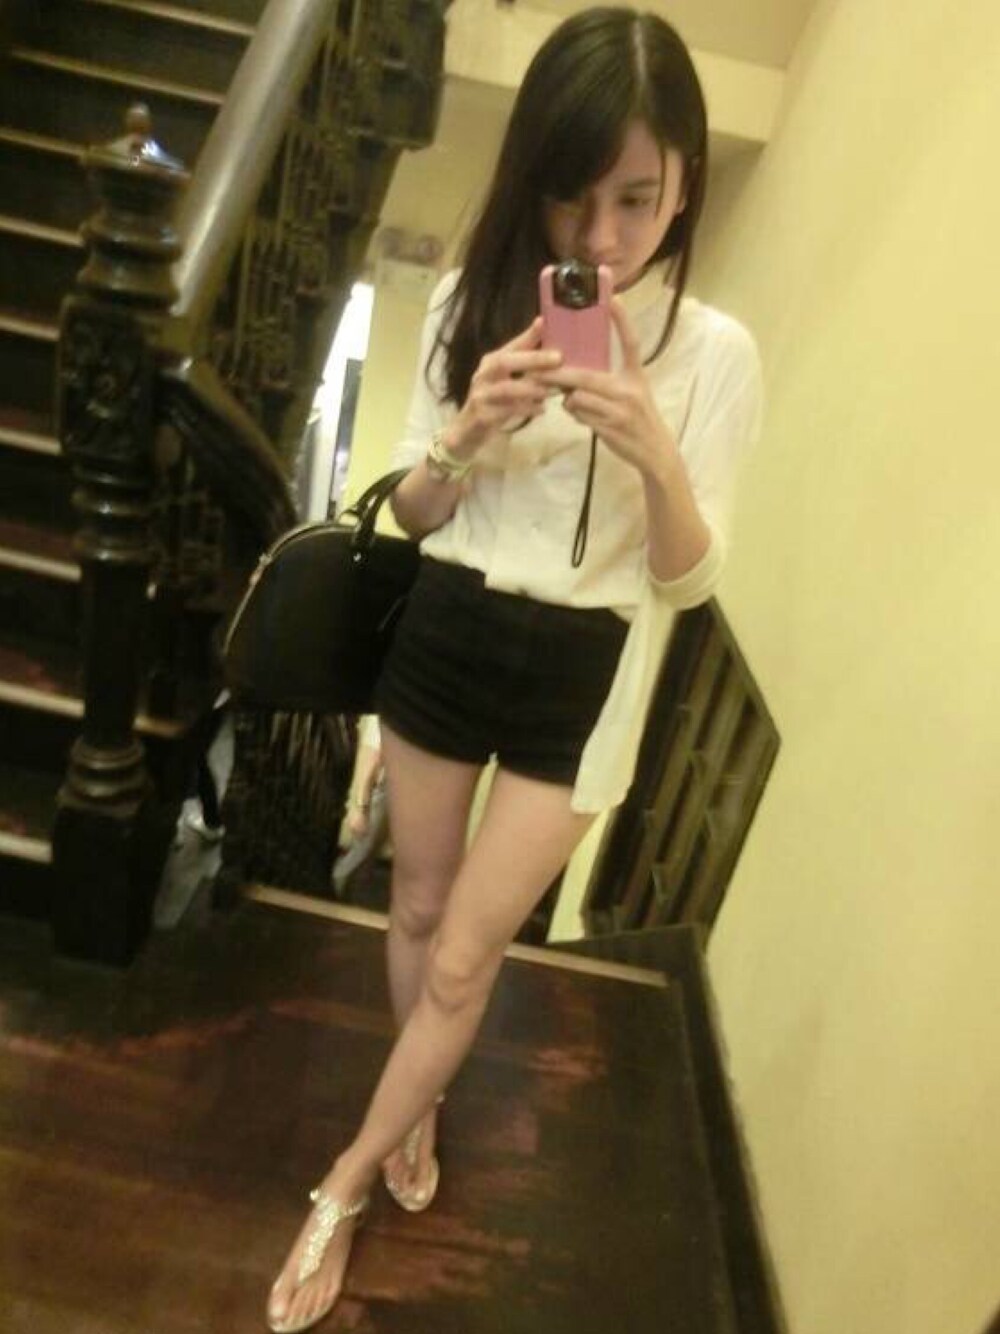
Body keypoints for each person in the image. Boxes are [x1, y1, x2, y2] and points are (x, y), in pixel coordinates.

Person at [266, 8, 762, 1331]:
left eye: (636, 199)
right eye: (572, 196)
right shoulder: (463, 304)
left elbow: (686, 581)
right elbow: (415, 513)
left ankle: (344, 1183)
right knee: (415, 910)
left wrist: (654, 449)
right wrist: (469, 432)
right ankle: (415, 1101)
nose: (601, 238)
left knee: (466, 957)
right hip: (450, 624)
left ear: (685, 185)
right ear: (533, 179)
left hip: (584, 672)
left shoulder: (716, 357)